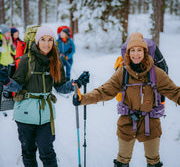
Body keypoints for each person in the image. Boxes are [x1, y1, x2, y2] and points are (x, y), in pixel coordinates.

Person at [73, 32, 180, 167]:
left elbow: (174, 91)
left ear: (145, 52)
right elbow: (105, 91)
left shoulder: (156, 73)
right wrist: (83, 99)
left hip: (151, 122)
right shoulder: (122, 72)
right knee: (122, 159)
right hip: (127, 122)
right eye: (133, 50)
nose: (136, 54)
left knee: (153, 160)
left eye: (139, 50)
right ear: (128, 53)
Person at [0, 26, 89, 167]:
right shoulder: (26, 60)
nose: (46, 43)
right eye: (43, 39)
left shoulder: (56, 61)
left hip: (45, 115)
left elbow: (60, 87)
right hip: (24, 114)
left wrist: (76, 83)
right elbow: (16, 86)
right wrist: (6, 81)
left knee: (47, 153)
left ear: (54, 42)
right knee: (28, 152)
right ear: (37, 41)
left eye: (50, 40)